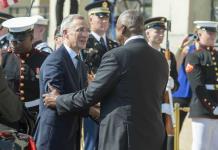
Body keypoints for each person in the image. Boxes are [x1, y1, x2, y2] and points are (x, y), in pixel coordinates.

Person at [43, 10, 169, 150]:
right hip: (154, 136)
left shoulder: (117, 56)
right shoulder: (161, 59)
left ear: (123, 29)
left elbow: (90, 95)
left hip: (123, 138)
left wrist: (59, 100)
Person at [34, 14, 90, 150]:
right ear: (65, 33)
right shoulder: (55, 61)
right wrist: (92, 110)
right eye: (80, 30)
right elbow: (52, 100)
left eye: (87, 30)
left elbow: (81, 97)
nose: (85, 34)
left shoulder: (81, 65)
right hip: (53, 138)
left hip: (71, 136)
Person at [80, 1, 119, 150]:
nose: (104, 21)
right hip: (93, 104)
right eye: (100, 17)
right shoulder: (84, 43)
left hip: (112, 103)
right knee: (92, 145)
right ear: (90, 19)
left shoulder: (114, 45)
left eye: (106, 18)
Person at [1, 16, 49, 134]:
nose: (14, 44)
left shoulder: (45, 59)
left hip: (36, 117)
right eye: (11, 41)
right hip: (8, 119)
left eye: (19, 41)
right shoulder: (4, 58)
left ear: (31, 37)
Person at [144, 17, 179, 150]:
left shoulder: (168, 55)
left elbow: (177, 83)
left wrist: (172, 84)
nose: (161, 35)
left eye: (163, 32)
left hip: (164, 107)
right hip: (147, 106)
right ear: (147, 33)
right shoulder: (142, 53)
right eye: (157, 31)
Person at [184, 21, 218, 150]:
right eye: (209, 33)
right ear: (199, 34)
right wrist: (212, 106)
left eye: (214, 33)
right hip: (203, 109)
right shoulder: (194, 57)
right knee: (201, 146)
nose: (213, 36)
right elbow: (197, 85)